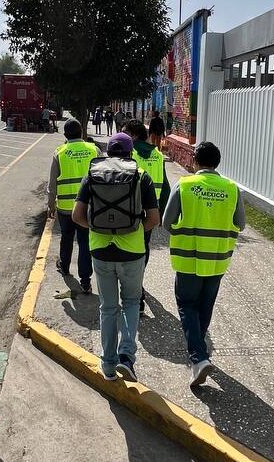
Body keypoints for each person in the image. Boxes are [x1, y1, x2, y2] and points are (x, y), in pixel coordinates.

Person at [72, 133, 160, 382]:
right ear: (131, 152)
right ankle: (126, 357)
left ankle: (108, 366)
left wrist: (100, 229)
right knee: (131, 302)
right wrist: (131, 230)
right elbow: (154, 219)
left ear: (108, 152)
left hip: (100, 251)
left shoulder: (92, 174)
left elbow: (77, 216)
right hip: (132, 252)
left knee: (108, 307)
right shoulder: (141, 175)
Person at [162, 142, 244, 388]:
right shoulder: (231, 188)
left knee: (187, 305)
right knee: (205, 306)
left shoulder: (185, 185)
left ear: (195, 161)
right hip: (217, 260)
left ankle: (198, 357)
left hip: (188, 259)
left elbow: (167, 222)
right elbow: (240, 223)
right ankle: (200, 348)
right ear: (217, 162)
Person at [124, 118, 171, 315]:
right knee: (143, 248)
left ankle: (136, 293)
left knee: (128, 251)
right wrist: (162, 213)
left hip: (130, 211)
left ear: (134, 135)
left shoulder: (129, 152)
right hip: (150, 213)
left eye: (126, 132)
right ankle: (139, 282)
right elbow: (166, 186)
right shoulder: (158, 155)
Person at [47, 118, 99, 293]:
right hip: (88, 208)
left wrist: (50, 205)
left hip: (66, 206)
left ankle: (65, 266)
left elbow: (52, 183)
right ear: (81, 133)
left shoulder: (60, 152)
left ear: (65, 134)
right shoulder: (94, 150)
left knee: (67, 237)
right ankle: (86, 281)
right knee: (85, 242)